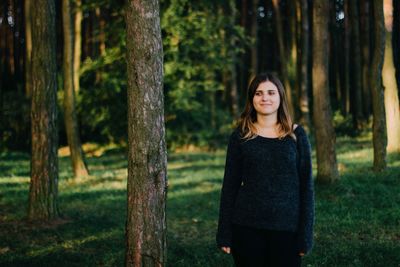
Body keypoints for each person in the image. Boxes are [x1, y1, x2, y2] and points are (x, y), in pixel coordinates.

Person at [216, 73, 314, 267]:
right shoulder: (241, 136)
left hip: (287, 229)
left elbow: (307, 188)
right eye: (259, 93)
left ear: (280, 97)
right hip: (246, 228)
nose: (265, 98)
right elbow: (230, 186)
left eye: (271, 92)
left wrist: (305, 235)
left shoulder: (296, 135)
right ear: (252, 99)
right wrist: (224, 232)